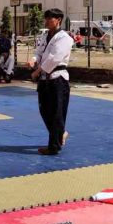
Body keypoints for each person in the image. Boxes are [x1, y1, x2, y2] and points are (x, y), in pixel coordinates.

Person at [30, 8, 73, 156]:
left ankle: (53, 146)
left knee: (56, 113)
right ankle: (61, 133)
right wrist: (33, 59)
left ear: (59, 20)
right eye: (46, 18)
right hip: (44, 80)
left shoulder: (64, 38)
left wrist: (37, 71)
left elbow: (54, 58)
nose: (47, 21)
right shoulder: (45, 36)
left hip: (57, 78)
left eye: (50, 18)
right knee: (44, 110)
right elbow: (39, 52)